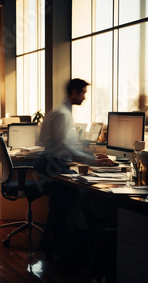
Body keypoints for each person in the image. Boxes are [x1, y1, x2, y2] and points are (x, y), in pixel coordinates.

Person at [36, 78, 114, 260]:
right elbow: (66, 148)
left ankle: (52, 240)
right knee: (79, 192)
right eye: (83, 93)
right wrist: (93, 161)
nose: (85, 97)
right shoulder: (63, 114)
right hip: (53, 164)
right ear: (74, 93)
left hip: (49, 162)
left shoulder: (59, 111)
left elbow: (66, 145)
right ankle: (76, 242)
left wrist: (91, 157)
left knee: (64, 198)